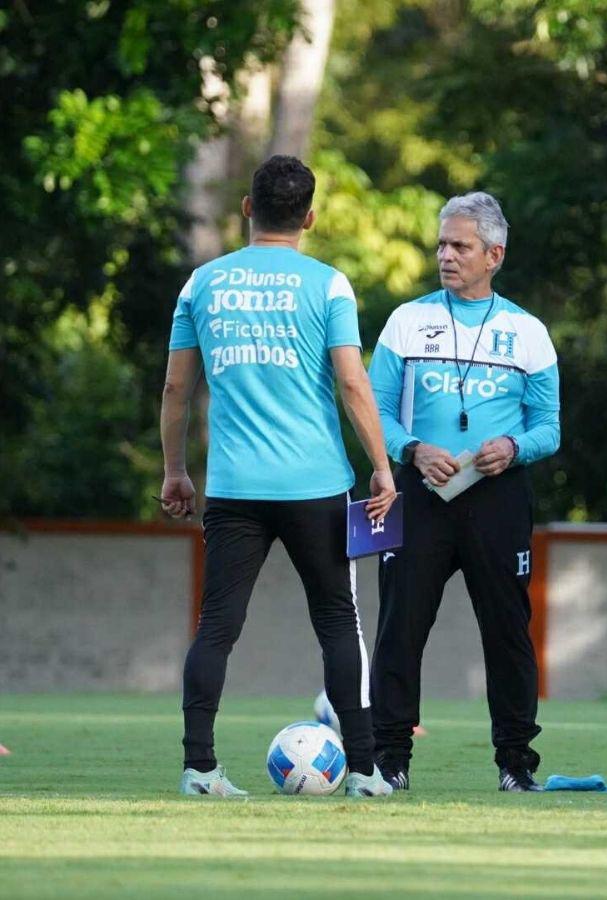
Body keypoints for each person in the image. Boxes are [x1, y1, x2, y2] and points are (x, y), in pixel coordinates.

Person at [161, 155, 397, 798]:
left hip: (234, 487)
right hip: (317, 485)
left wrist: (176, 470)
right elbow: (352, 382)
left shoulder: (202, 284)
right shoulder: (329, 285)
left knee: (217, 626)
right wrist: (381, 468)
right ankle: (365, 771)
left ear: (247, 208)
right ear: (309, 218)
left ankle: (199, 768)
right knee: (338, 621)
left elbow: (177, 387)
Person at [368, 191, 560, 792]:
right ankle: (389, 760)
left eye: (460, 246)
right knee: (400, 628)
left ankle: (515, 764)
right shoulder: (406, 320)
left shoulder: (527, 331)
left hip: (498, 498)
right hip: (420, 494)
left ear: (493, 255)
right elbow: (374, 410)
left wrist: (514, 447)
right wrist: (411, 450)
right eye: (441, 245)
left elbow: (549, 427)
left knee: (507, 631)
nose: (445, 256)